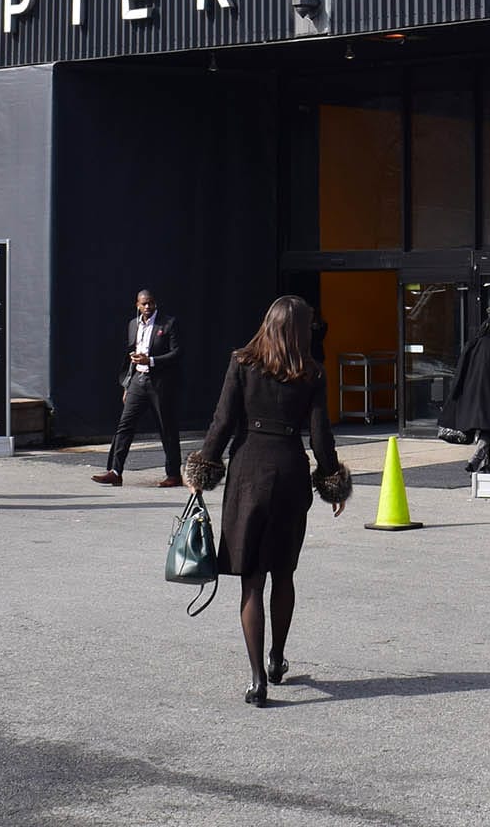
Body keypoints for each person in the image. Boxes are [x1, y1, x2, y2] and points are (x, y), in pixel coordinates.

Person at [185, 295, 351, 707]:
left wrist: (203, 470)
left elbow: (222, 422)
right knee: (284, 573)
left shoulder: (242, 363)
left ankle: (257, 678)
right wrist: (331, 481)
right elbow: (319, 438)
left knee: (252, 580)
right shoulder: (311, 372)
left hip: (248, 473)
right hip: (290, 472)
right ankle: (278, 658)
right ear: (300, 330)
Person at [92, 289, 184, 488]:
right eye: (144, 304)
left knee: (166, 428)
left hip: (159, 383)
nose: (148, 307)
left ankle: (173, 474)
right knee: (124, 425)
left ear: (155, 303)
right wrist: (128, 384)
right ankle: (115, 471)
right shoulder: (133, 325)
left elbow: (177, 354)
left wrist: (150, 360)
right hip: (137, 381)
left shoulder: (168, 324)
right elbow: (130, 355)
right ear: (137, 305)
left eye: (150, 303)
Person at [438, 314, 490, 474]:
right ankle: (479, 456)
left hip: (470, 392)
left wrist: (455, 393)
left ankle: (484, 459)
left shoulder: (472, 344)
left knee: (484, 426)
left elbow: (459, 371)